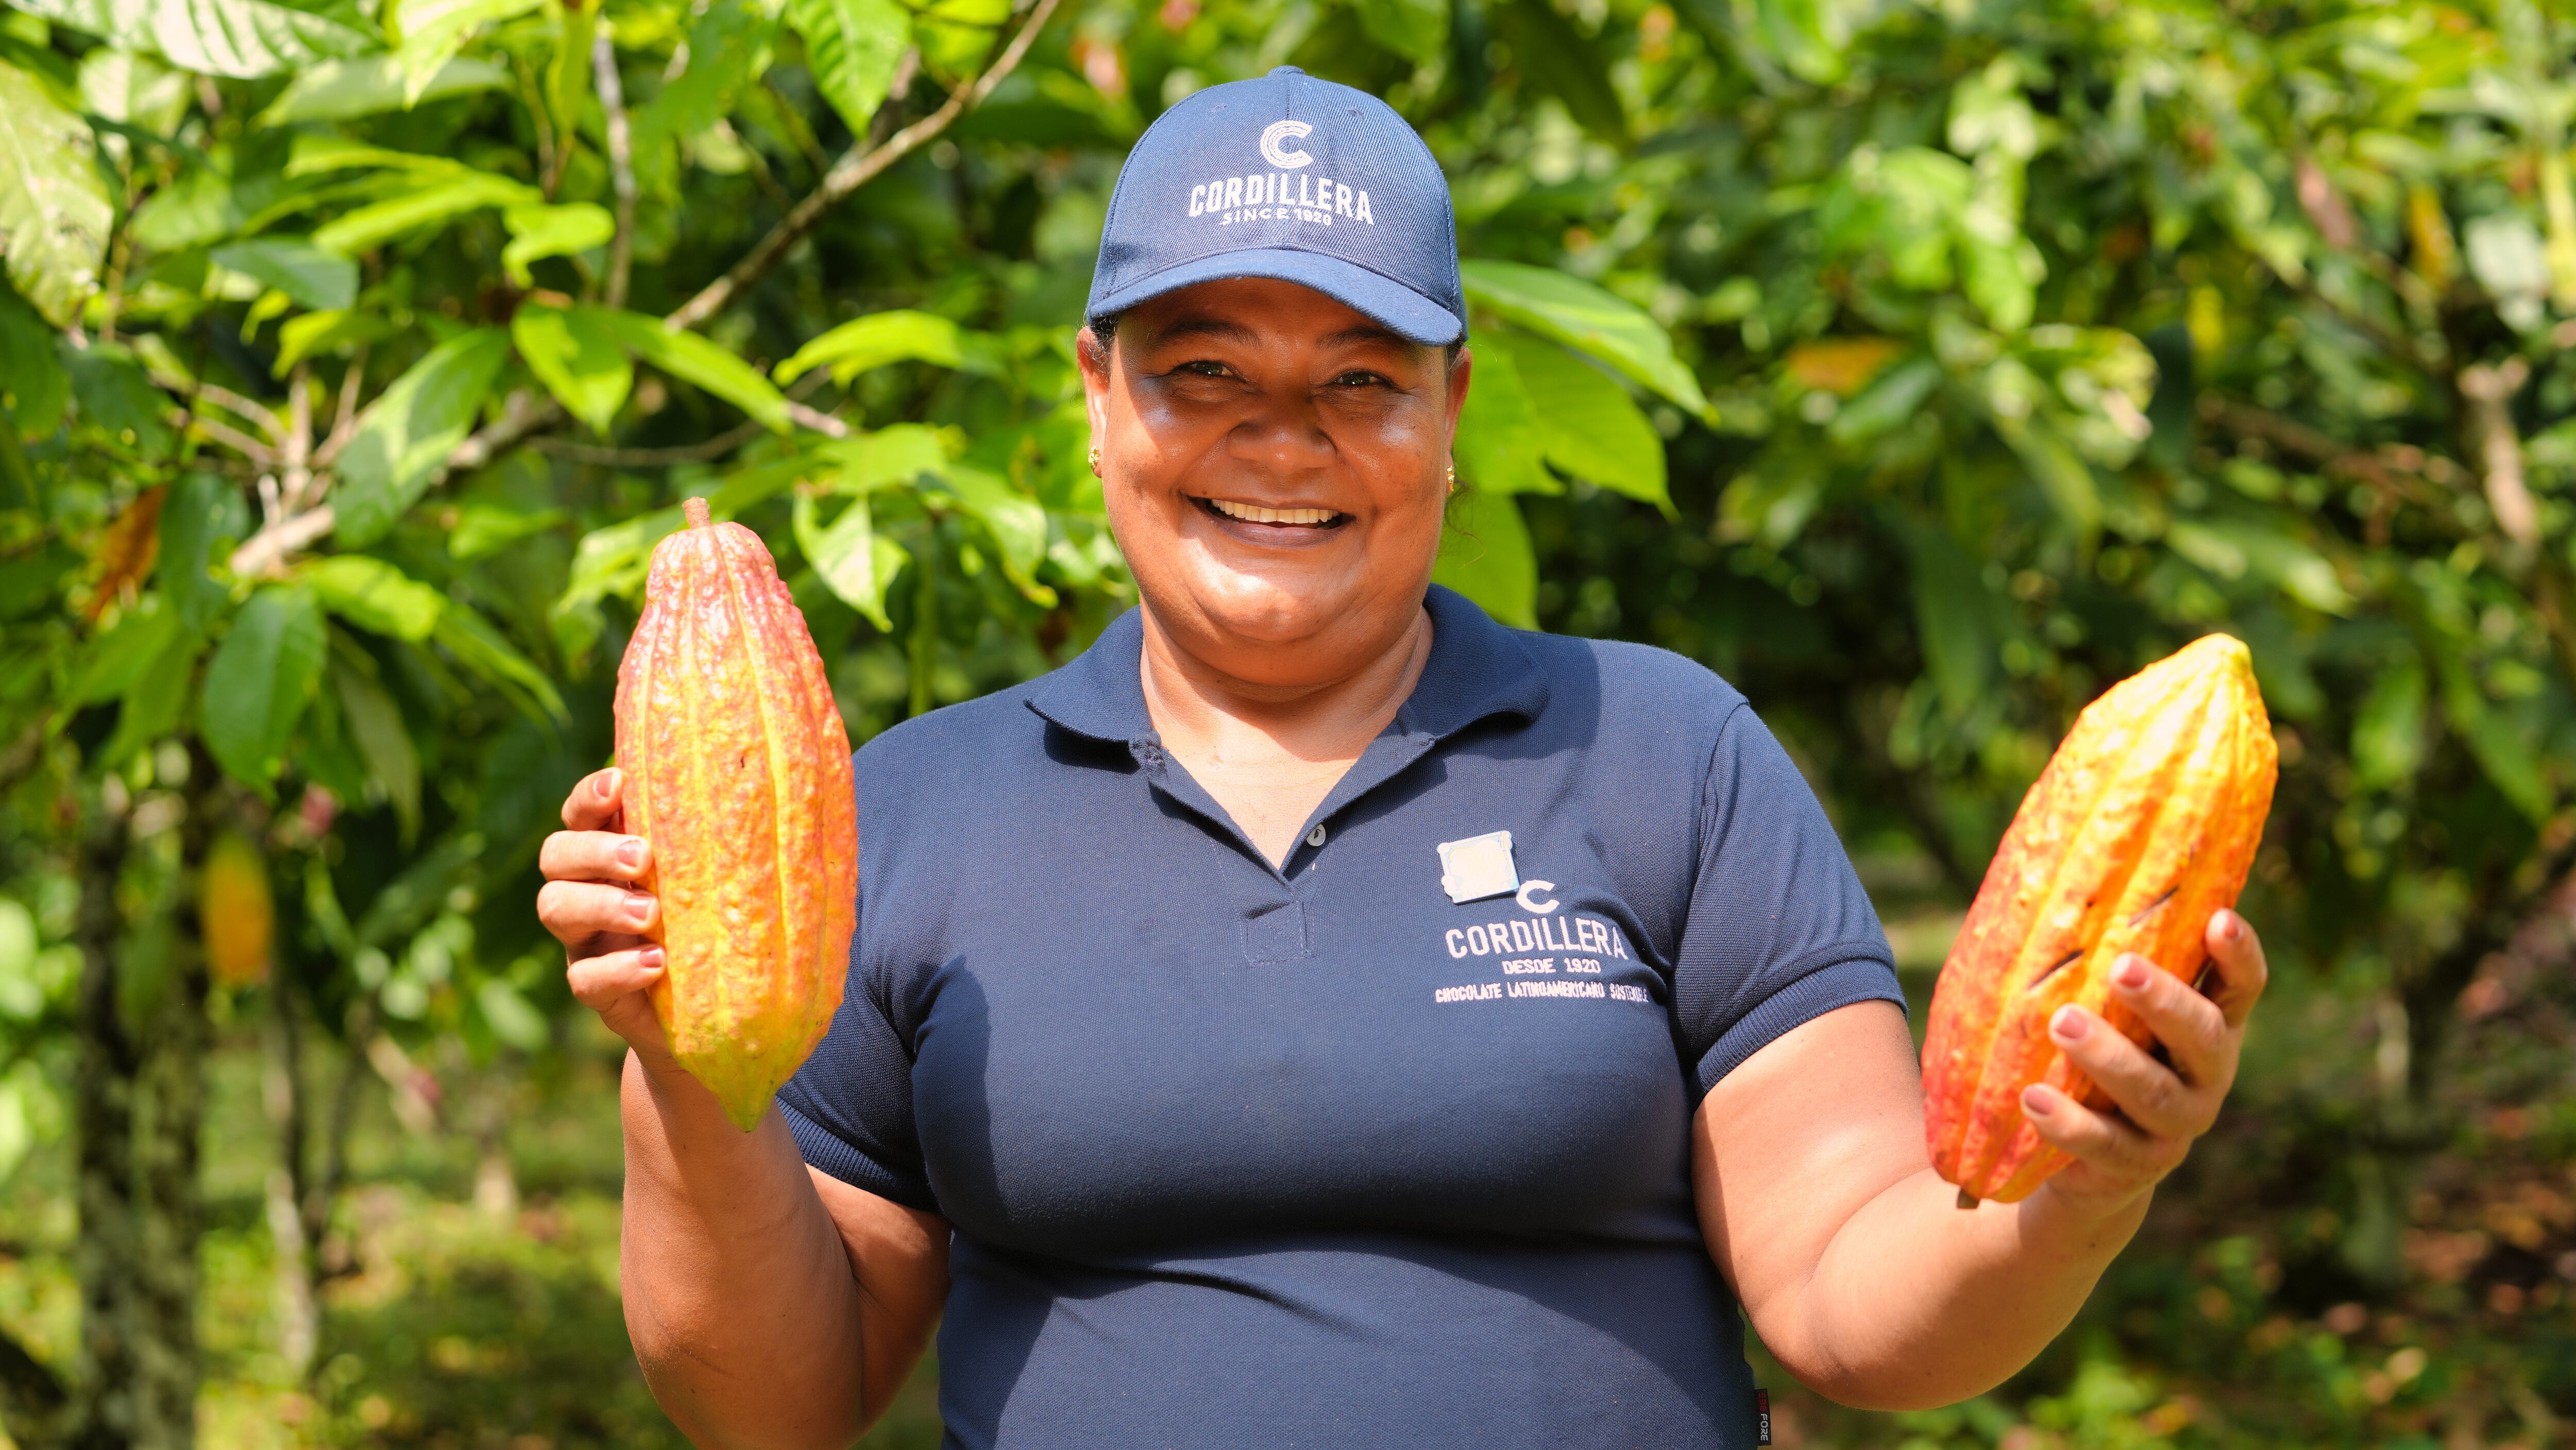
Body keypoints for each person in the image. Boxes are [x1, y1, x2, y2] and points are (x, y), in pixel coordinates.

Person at [535, 66, 2270, 1450]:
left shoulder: (1665, 753)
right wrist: (686, 1064)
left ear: (1451, 408)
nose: (1282, 436)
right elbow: (768, 1406)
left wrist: (2081, 1190)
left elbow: (1855, 1305)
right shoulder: (912, 811)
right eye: (1202, 367)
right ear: (1095, 393)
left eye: (1361, 377)